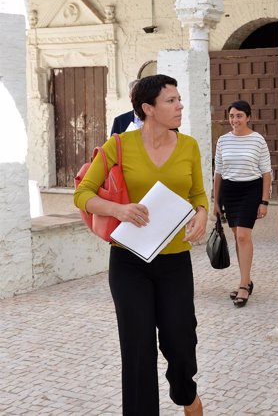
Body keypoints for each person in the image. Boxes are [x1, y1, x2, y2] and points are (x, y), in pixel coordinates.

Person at [74, 74, 208, 416]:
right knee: (137, 349)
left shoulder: (189, 145)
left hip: (175, 261)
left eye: (179, 99)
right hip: (129, 262)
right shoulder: (118, 145)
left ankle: (185, 392)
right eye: (171, 101)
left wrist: (203, 215)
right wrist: (119, 209)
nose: (180, 106)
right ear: (148, 108)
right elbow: (82, 194)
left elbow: (197, 194)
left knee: (181, 342)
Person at [213, 100, 272, 307]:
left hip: (251, 190)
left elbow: (266, 172)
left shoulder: (258, 140)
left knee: (243, 235)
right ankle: (245, 280)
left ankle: (244, 286)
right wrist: (216, 201)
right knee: (237, 238)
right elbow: (218, 172)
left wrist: (264, 201)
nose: (234, 120)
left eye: (239, 116)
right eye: (231, 116)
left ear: (248, 117)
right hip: (230, 190)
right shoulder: (222, 141)